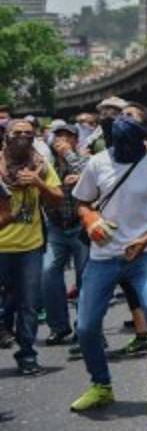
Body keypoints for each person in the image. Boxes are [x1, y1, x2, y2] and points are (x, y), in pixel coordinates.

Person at [70, 103, 147, 421]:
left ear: (145, 131)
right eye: (122, 115)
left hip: (143, 257)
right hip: (102, 257)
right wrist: (90, 219)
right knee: (87, 326)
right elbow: (81, 201)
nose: (122, 119)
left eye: (131, 116)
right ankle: (101, 385)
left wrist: (145, 239)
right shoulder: (97, 162)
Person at [0, 118, 64, 375]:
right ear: (6, 135)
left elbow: (58, 198)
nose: (23, 137)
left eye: (28, 133)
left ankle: (27, 354)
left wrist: (38, 183)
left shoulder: (40, 164)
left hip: (30, 246)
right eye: (17, 133)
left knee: (28, 303)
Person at [43, 120, 89, 347]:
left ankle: (85, 326)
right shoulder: (45, 165)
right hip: (56, 227)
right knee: (48, 272)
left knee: (85, 277)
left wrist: (69, 154)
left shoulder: (85, 160)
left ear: (75, 140)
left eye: (68, 136)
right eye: (58, 137)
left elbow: (88, 174)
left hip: (81, 227)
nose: (62, 141)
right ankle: (59, 326)